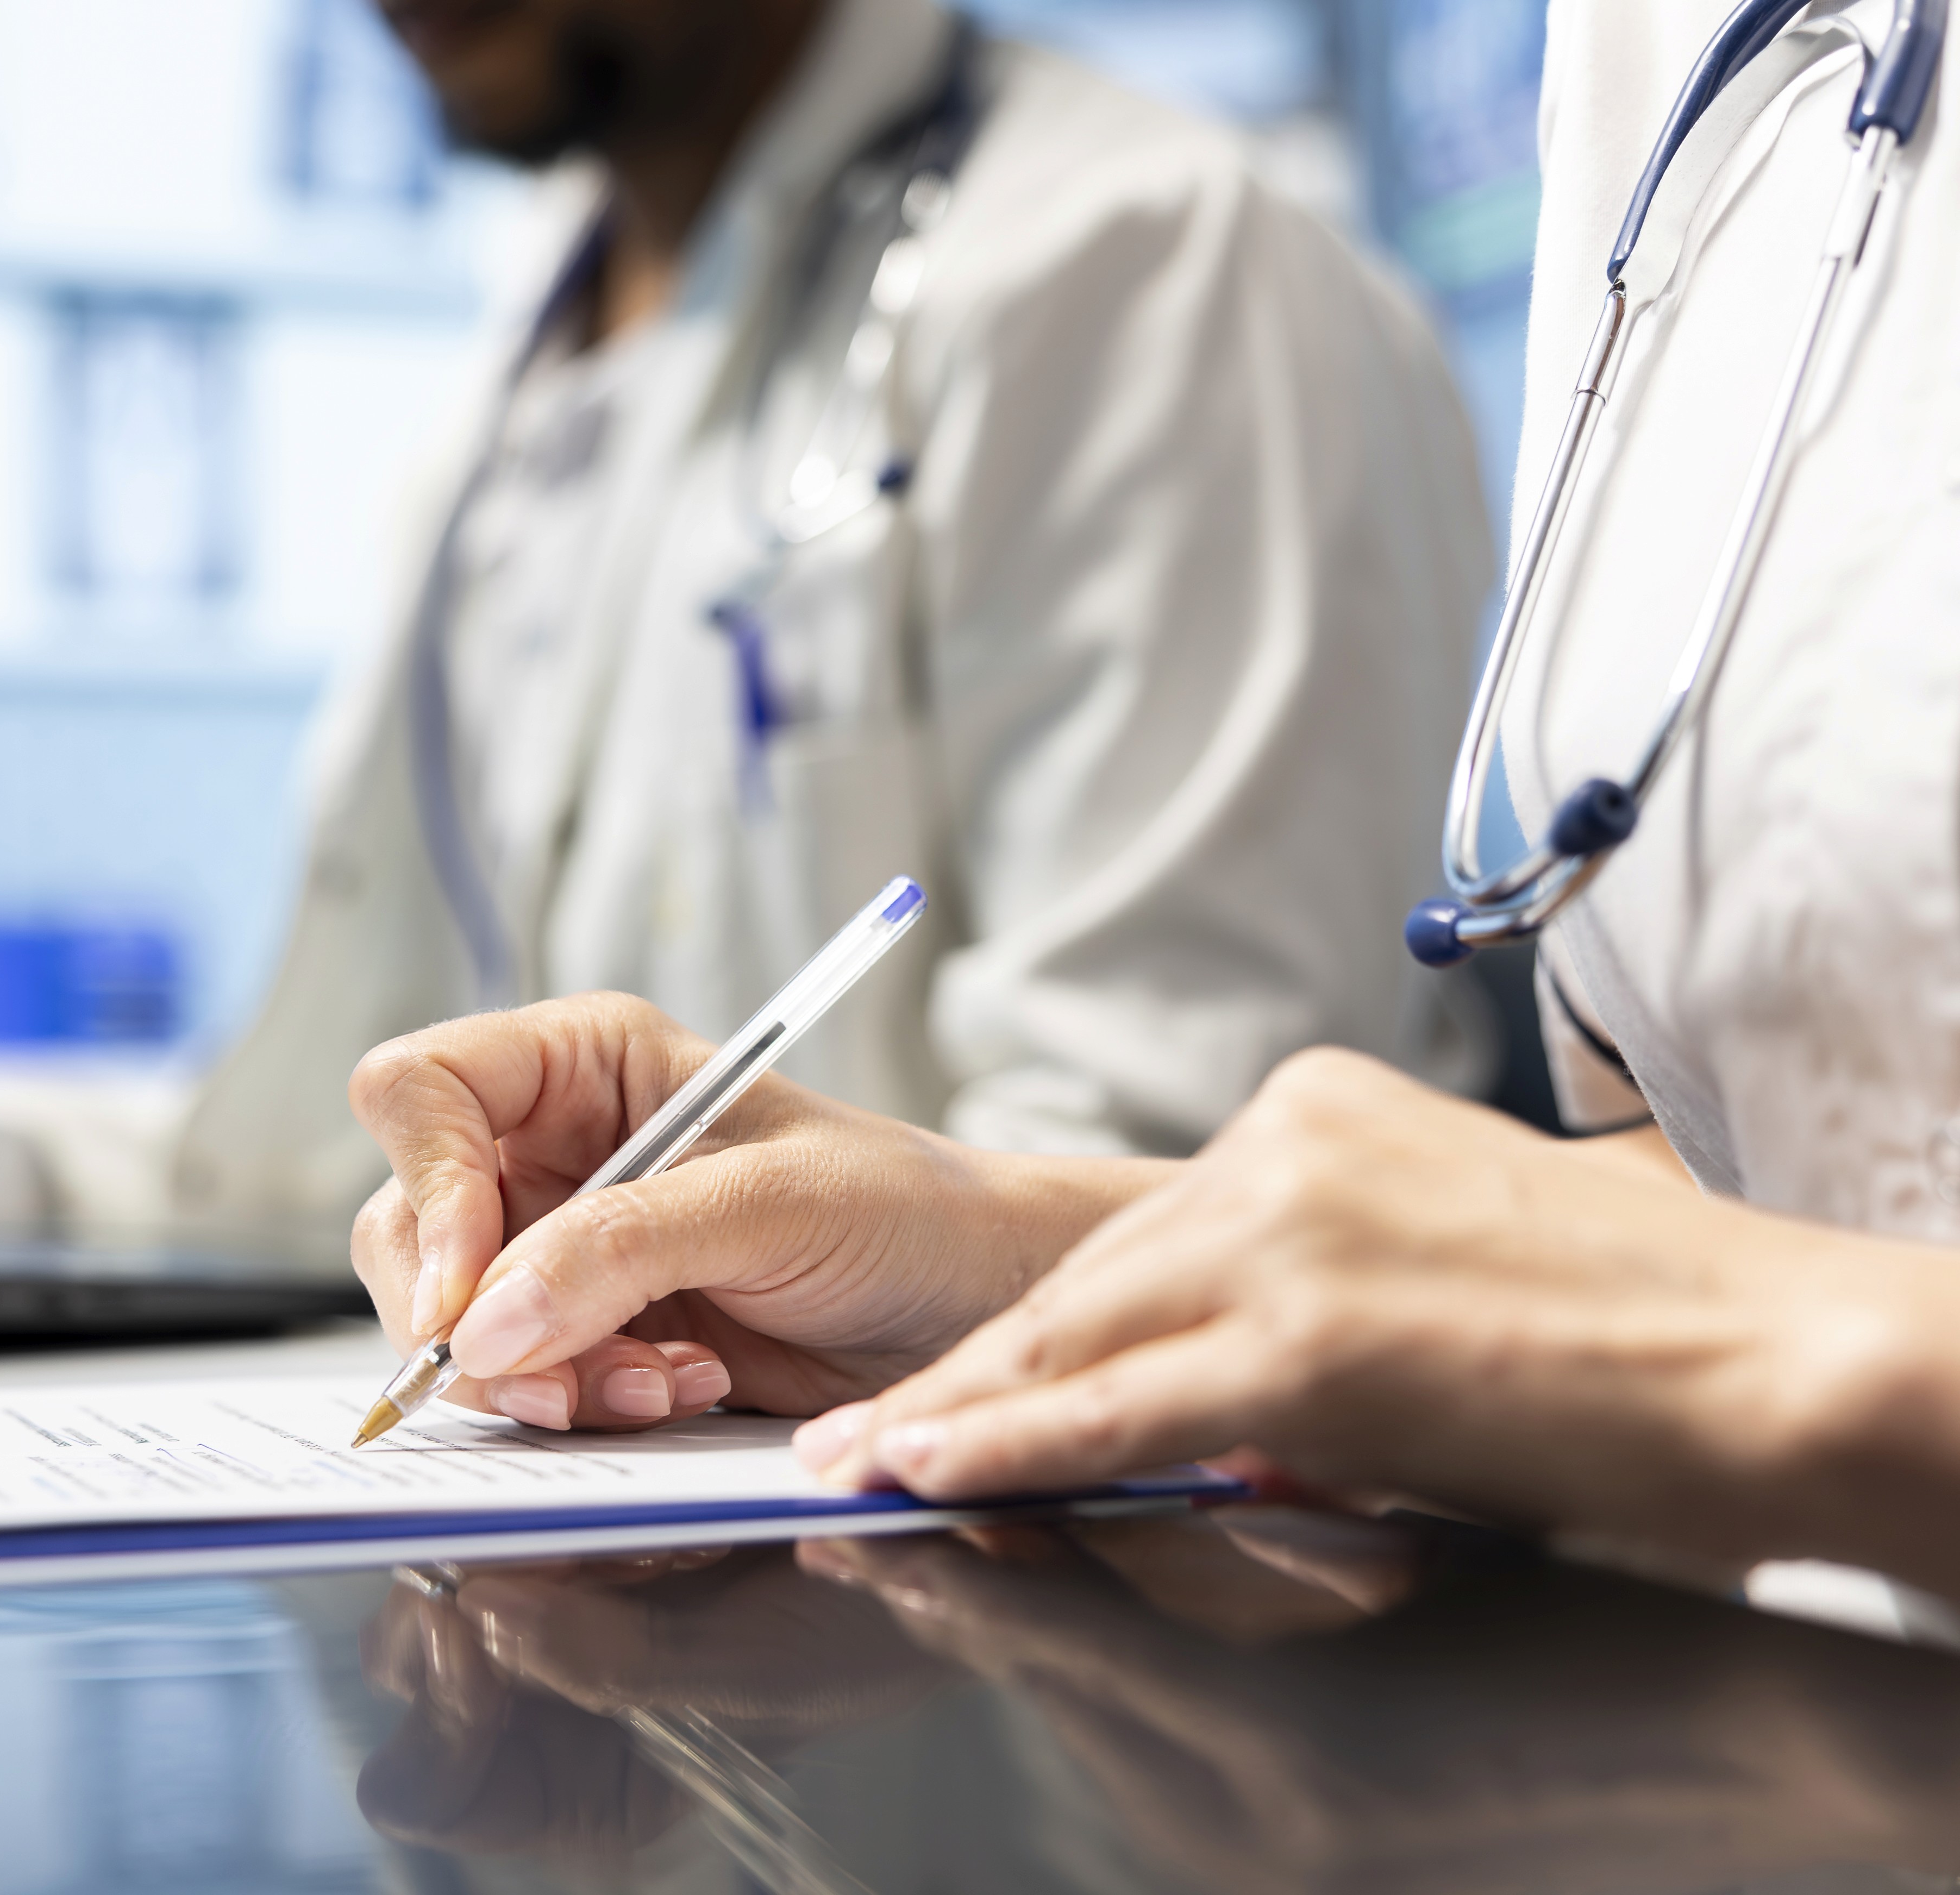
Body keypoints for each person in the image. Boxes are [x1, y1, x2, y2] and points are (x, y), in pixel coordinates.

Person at [341, 0, 1960, 1598]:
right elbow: (1771, 1169)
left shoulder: (1157, 258)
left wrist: (1757, 1362)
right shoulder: (1657, 50)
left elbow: (1750, 1296)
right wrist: (984, 1246)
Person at [0, 0, 1493, 1247]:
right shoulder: (531, 368)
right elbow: (353, 1150)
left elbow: (1186, 1195)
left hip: (1049, 1683)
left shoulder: (1156, 270)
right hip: (651, 1622)